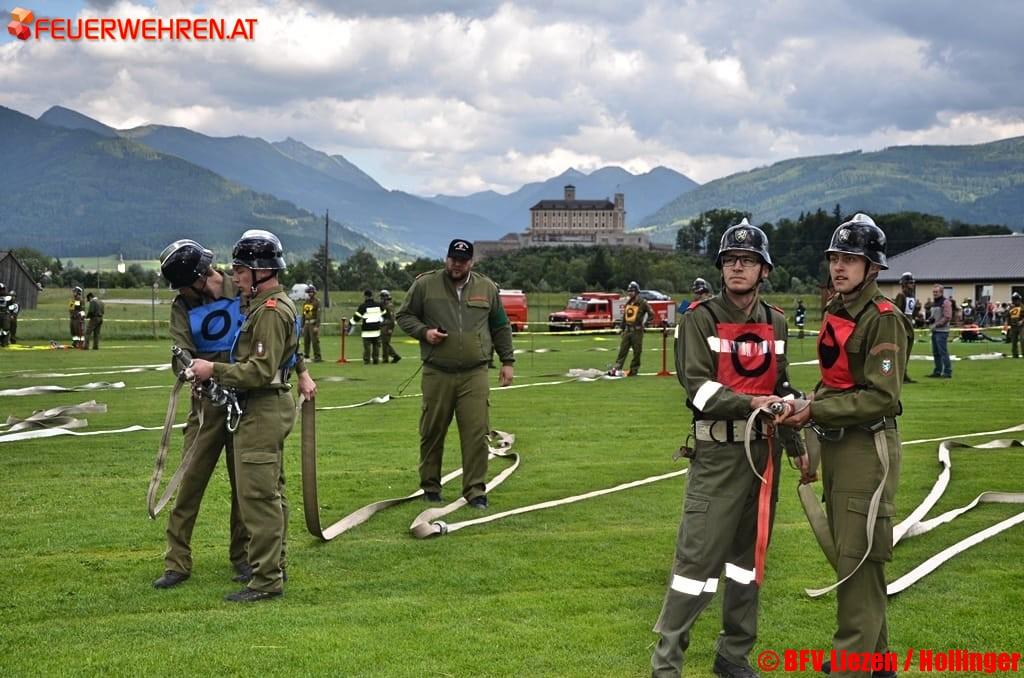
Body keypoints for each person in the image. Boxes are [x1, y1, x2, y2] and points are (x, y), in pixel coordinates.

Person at [652, 217, 808, 678]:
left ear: (764, 270)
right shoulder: (699, 318)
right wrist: (751, 403)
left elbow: (780, 385)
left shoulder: (776, 321)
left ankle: (733, 655)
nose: (738, 267)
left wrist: (795, 441)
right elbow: (698, 389)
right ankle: (667, 665)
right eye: (731, 260)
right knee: (695, 563)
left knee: (748, 562)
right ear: (721, 268)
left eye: (749, 260)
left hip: (764, 455)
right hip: (718, 457)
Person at [782, 213, 909, 678]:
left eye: (850, 259)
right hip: (838, 446)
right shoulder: (839, 310)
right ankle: (877, 663)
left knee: (858, 560)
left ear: (872, 267)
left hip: (867, 447)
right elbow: (837, 380)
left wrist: (814, 411)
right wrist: (808, 403)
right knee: (854, 555)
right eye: (835, 257)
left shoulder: (883, 320)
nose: (839, 266)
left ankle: (850, 666)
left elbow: (881, 396)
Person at [189, 229, 310, 602]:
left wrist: (213, 370)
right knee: (269, 492)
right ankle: (273, 567)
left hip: (262, 408)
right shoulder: (263, 307)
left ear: (261, 270)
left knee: (258, 498)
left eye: (241, 270)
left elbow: (259, 370)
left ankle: (266, 579)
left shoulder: (270, 311)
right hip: (262, 407)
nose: (235, 276)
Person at [152, 239, 251, 590]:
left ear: (199, 276)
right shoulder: (183, 306)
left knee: (246, 487)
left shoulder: (243, 292)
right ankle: (177, 562)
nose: (179, 291)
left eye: (182, 284)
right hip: (206, 407)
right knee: (188, 484)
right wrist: (189, 370)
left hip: (247, 404)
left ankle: (244, 557)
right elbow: (180, 349)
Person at [396, 238, 514, 509]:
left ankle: (475, 491)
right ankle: (430, 487)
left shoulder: (486, 287)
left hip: (475, 372)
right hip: (437, 371)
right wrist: (424, 332)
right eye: (452, 259)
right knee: (432, 430)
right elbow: (404, 316)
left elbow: (500, 325)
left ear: (471, 262)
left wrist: (507, 361)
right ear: (446, 258)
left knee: (476, 433)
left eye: (462, 261)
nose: (456, 265)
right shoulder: (425, 284)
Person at [611, 281, 652, 376]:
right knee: (622, 351)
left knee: (637, 352)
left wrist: (645, 324)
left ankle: (634, 370)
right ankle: (616, 368)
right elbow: (625, 317)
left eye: (632, 291)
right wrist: (622, 328)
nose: (630, 293)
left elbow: (651, 314)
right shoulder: (628, 303)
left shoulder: (643, 302)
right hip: (627, 330)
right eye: (629, 291)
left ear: (637, 292)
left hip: (637, 331)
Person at [892, 272, 918, 383]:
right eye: (910, 283)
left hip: (910, 326)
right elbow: (898, 312)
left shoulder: (912, 296)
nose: (912, 285)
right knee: (901, 352)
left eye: (912, 283)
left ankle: (904, 374)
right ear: (904, 284)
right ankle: (900, 375)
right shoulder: (901, 295)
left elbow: (911, 313)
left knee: (907, 352)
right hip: (903, 327)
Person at [352, 289, 385, 364]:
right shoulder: (378, 305)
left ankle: (367, 360)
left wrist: (350, 324)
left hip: (366, 329)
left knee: (367, 346)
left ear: (365, 296)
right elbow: (385, 315)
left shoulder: (363, 306)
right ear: (371, 296)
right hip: (376, 328)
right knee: (376, 345)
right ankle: (375, 360)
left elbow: (356, 318)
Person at [926, 284, 953, 378]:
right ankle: (937, 371)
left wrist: (937, 324)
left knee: (943, 352)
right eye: (933, 292)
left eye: (936, 292)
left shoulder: (946, 302)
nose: (934, 293)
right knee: (936, 353)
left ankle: (947, 372)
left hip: (942, 331)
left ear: (941, 292)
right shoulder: (934, 303)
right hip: (935, 331)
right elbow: (934, 316)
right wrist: (929, 320)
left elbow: (947, 317)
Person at [301, 284, 323, 362]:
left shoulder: (317, 302)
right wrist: (302, 326)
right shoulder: (306, 302)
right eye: (309, 292)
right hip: (306, 324)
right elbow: (304, 315)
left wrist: (317, 326)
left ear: (314, 292)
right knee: (306, 341)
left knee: (315, 341)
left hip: (313, 324)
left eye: (312, 292)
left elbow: (318, 315)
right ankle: (306, 356)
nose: (310, 293)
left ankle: (317, 357)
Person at [379, 289, 402, 363]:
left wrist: (390, 328)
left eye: (382, 297)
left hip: (387, 326)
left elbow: (392, 318)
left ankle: (394, 356)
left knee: (385, 343)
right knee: (384, 343)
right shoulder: (385, 305)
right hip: (384, 325)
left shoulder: (389, 306)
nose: (381, 298)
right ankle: (385, 358)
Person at [1008, 292, 1023, 358]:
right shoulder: (1011, 308)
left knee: (1022, 340)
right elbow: (1008, 316)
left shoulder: (1022, 307)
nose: (1015, 301)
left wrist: (1022, 321)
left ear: (1019, 299)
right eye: (1014, 299)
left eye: (1016, 299)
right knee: (1014, 341)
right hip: (1013, 326)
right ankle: (1015, 354)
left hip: (1021, 326)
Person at [0, 283, 9, 348]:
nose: (2, 291)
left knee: (6, 329)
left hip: (5, 314)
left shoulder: (8, 297)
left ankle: (5, 342)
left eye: (2, 289)